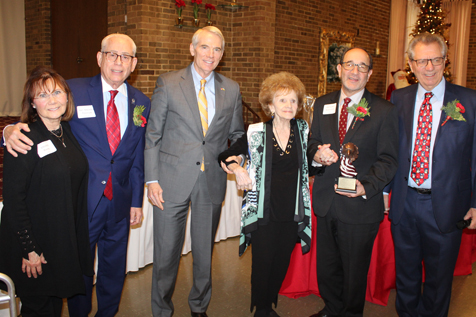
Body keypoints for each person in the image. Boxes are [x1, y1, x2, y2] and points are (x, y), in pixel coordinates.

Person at [4, 33, 151, 316]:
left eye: (126, 57)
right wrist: (7, 131)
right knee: (80, 268)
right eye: (112, 54)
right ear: (99, 58)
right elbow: (39, 117)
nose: (118, 62)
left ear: (134, 64)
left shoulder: (142, 102)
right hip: (81, 202)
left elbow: (136, 155)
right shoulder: (72, 90)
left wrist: (136, 201)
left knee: (113, 269)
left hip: (120, 202)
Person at [385, 33, 476, 317]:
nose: (429, 67)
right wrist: (385, 190)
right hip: (405, 202)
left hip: (446, 205)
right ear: (411, 63)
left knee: (438, 279)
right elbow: (391, 149)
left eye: (435, 59)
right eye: (422, 60)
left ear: (445, 61)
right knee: (406, 276)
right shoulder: (399, 98)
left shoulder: (470, 100)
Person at [144, 26, 244, 317]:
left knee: (203, 253)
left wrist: (235, 159)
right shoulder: (168, 83)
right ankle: (162, 309)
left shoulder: (232, 88)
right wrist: (152, 180)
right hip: (170, 181)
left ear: (222, 54)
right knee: (166, 255)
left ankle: (199, 306)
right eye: (205, 47)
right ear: (192, 49)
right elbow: (153, 136)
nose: (210, 54)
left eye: (216, 49)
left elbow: (237, 134)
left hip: (210, 180)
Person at [307, 47, 399, 317]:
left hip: (359, 206)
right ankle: (331, 308)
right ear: (339, 69)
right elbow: (312, 140)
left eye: (361, 67)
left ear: (370, 73)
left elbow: (389, 159)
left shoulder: (384, 110)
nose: (354, 71)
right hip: (325, 200)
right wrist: (316, 153)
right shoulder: (322, 104)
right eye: (349, 65)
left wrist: (366, 185)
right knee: (327, 266)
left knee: (354, 271)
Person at [0, 67, 93, 316]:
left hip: (58, 240)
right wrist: (29, 249)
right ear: (32, 103)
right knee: (39, 308)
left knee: (52, 307)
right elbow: (13, 200)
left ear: (67, 97)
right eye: (42, 95)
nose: (52, 100)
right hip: (33, 246)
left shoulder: (67, 131)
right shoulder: (24, 137)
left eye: (56, 92)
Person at [218, 72, 312, 317]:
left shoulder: (303, 130)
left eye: (293, 101)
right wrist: (238, 168)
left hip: (292, 211)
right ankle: (261, 309)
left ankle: (269, 302)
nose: (289, 106)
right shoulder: (255, 131)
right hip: (263, 210)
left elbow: (311, 165)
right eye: (282, 100)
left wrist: (322, 158)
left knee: (281, 262)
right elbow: (226, 156)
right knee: (263, 263)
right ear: (270, 105)